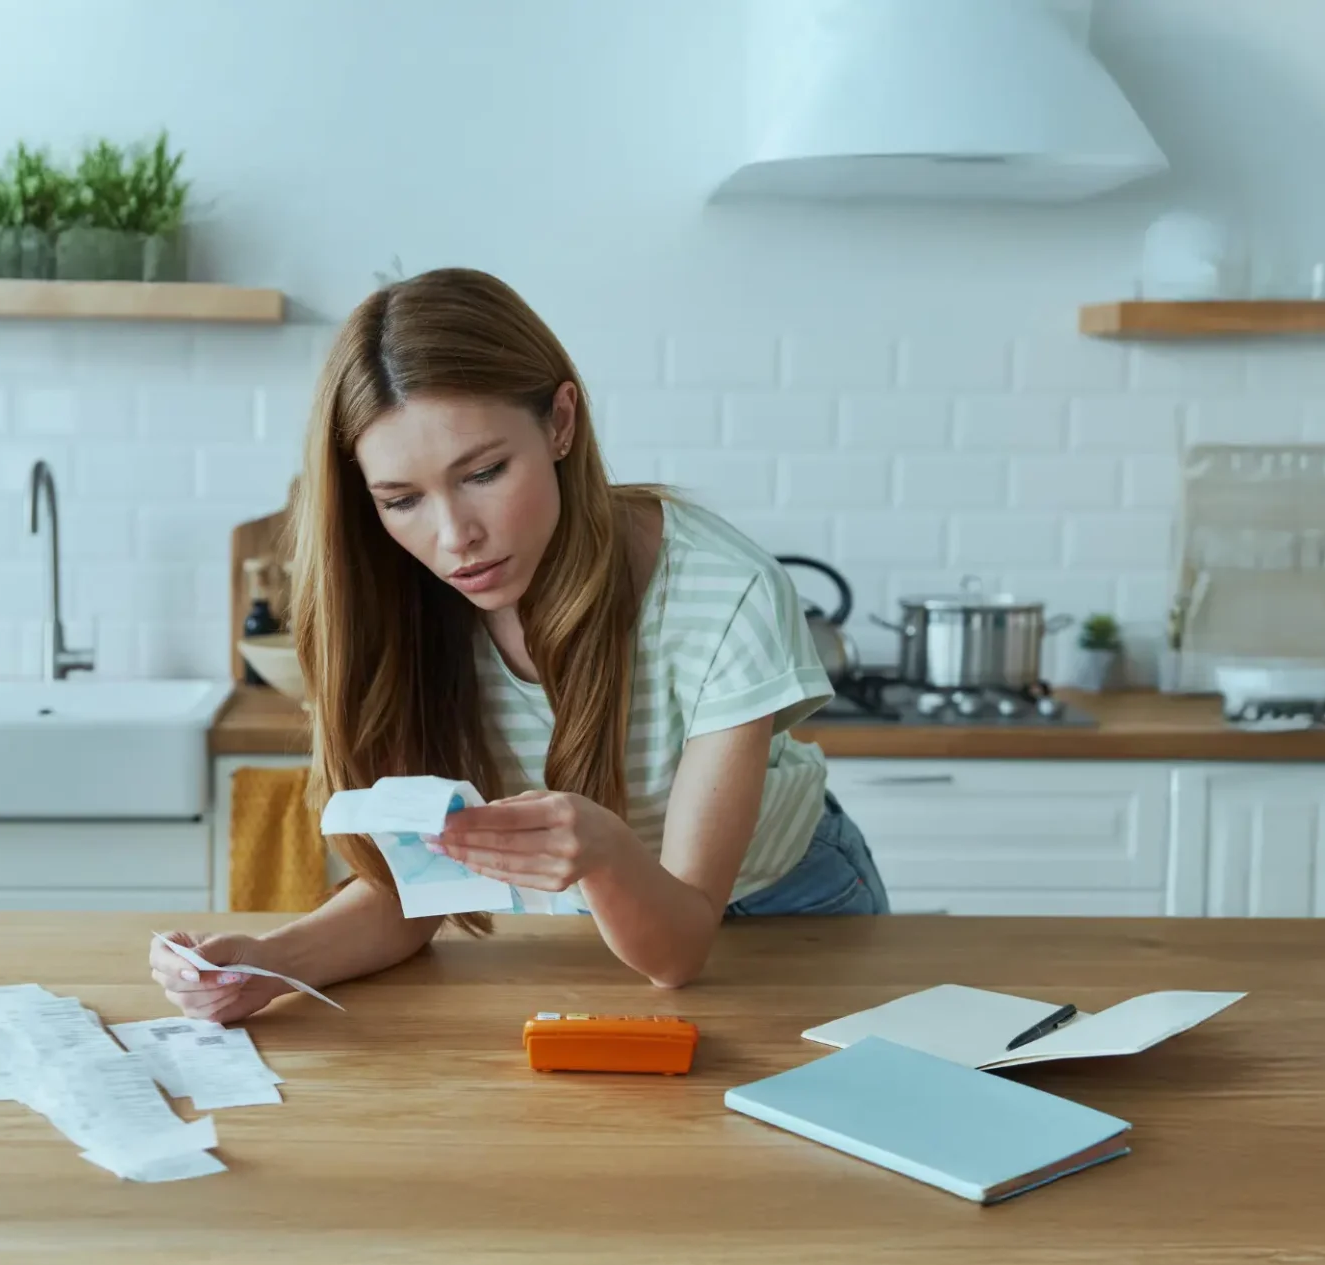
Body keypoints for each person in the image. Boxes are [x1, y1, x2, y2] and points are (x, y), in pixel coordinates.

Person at [152, 268, 886, 1022]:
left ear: (561, 422)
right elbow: (414, 896)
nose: (453, 537)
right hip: (592, 931)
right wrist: (271, 964)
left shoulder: (723, 594)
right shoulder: (399, 605)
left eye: (483, 473)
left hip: (790, 913)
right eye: (402, 501)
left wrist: (600, 850)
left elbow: (678, 947)